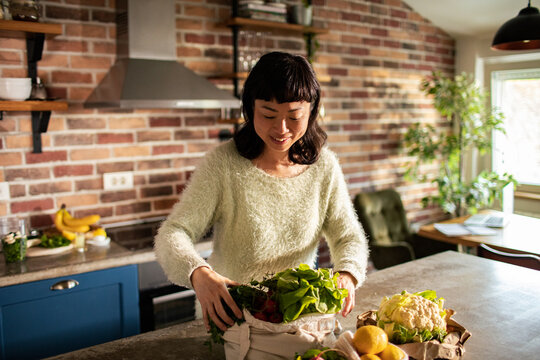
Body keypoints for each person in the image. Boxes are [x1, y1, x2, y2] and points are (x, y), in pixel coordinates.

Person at [154, 51, 368, 333]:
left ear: (312, 112)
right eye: (268, 114)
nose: (281, 129)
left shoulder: (324, 167)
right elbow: (173, 232)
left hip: (299, 322)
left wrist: (348, 274)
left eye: (294, 116)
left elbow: (348, 236)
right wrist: (199, 273)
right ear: (250, 109)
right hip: (230, 320)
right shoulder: (223, 164)